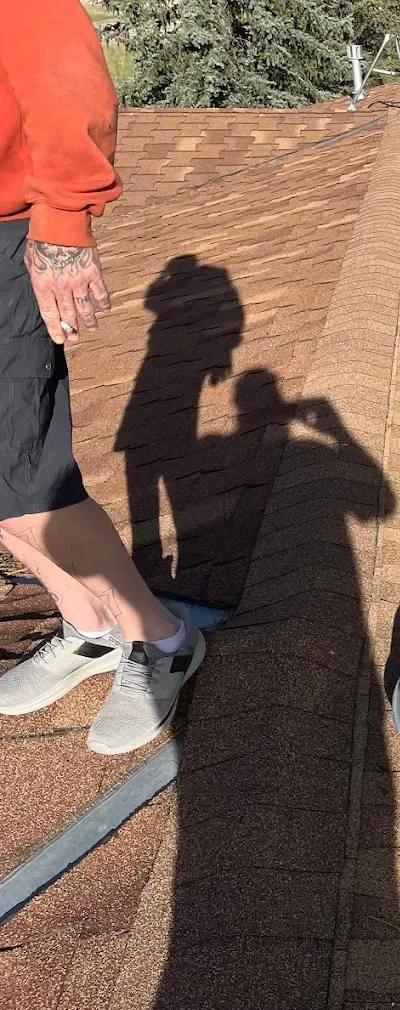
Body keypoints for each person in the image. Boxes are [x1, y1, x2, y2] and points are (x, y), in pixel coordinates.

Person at [0, 0, 204, 753]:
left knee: (25, 479)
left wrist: (63, 224)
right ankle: (88, 627)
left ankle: (163, 638)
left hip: (7, 235)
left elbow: (64, 74)